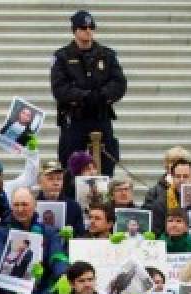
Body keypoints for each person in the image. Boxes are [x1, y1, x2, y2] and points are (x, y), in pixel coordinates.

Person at [51, 11, 126, 176]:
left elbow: (119, 83)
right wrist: (84, 96)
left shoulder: (107, 55)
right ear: (75, 30)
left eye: (91, 27)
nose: (88, 31)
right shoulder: (62, 56)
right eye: (83, 28)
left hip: (100, 116)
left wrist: (102, 95)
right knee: (70, 166)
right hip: (75, 118)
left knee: (106, 165)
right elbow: (60, 88)